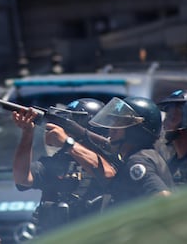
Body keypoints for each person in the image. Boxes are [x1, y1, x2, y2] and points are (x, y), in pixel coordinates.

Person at [12, 98, 116, 235]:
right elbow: (22, 178)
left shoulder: (111, 158)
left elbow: (108, 173)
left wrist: (67, 143)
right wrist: (27, 133)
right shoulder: (60, 160)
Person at [88, 96, 174, 208]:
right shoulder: (144, 155)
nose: (112, 130)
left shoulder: (138, 161)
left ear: (135, 130)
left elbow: (164, 199)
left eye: (120, 124)